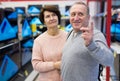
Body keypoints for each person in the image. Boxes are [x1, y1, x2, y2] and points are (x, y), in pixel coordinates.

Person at [61, 1, 114, 81]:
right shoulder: (71, 33)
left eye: (80, 14)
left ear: (88, 17)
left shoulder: (95, 35)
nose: (76, 18)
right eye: (73, 14)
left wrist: (91, 45)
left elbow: (109, 60)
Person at [32, 5, 67, 81]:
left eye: (54, 15)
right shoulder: (39, 41)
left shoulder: (68, 36)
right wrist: (55, 65)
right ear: (44, 21)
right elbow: (36, 64)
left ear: (58, 17)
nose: (51, 18)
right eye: (47, 16)